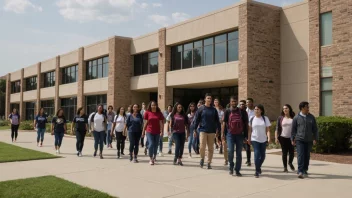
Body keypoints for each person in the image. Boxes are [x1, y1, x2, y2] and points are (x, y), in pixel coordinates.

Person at [192, 93, 221, 169]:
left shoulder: (214, 110)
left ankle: (209, 162)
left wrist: (219, 130)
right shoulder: (201, 109)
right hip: (202, 130)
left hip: (212, 131)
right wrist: (194, 129)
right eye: (208, 98)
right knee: (202, 146)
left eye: (210, 98)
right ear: (205, 99)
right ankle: (202, 158)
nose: (209, 100)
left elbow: (217, 121)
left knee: (210, 148)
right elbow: (197, 120)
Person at [222, 96, 248, 176]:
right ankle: (231, 166)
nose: (234, 103)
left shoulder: (242, 112)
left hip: (240, 134)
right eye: (232, 101)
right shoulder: (227, 111)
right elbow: (223, 123)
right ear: (230, 102)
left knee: (239, 153)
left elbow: (246, 124)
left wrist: (246, 136)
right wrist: (222, 134)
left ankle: (237, 170)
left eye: (235, 101)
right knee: (230, 151)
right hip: (230, 134)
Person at [292, 101, 318, 179]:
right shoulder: (296, 117)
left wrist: (315, 138)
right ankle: (300, 171)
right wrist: (292, 138)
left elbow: (315, 129)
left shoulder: (311, 117)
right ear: (302, 108)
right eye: (307, 107)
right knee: (300, 155)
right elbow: (293, 130)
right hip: (299, 139)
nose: (308, 109)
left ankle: (305, 169)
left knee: (307, 155)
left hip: (309, 140)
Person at [248, 104, 271, 178]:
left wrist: (269, 138)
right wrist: (249, 139)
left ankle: (258, 167)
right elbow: (249, 130)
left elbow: (268, 130)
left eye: (258, 109)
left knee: (263, 156)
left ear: (261, 110)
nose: (256, 111)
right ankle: (257, 171)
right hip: (254, 139)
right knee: (257, 155)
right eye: (255, 109)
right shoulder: (252, 118)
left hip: (263, 139)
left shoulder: (265, 118)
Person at [275, 104, 296, 173]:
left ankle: (290, 163)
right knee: (284, 153)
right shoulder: (280, 118)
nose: (285, 110)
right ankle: (285, 167)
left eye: (286, 108)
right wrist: (276, 137)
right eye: (283, 108)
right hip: (282, 137)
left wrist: (295, 137)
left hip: (291, 138)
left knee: (292, 152)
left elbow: (296, 128)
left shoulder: (293, 118)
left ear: (289, 109)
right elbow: (277, 128)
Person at [142, 101, 164, 165]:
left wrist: (161, 131)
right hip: (149, 131)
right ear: (150, 106)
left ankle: (154, 157)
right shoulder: (147, 113)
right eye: (152, 105)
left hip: (157, 132)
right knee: (151, 144)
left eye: (154, 105)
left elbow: (161, 123)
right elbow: (145, 123)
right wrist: (143, 131)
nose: (153, 106)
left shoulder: (159, 113)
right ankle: (151, 158)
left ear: (156, 106)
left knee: (156, 145)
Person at [244, 98, 255, 166]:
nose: (248, 103)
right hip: (246, 130)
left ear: (252, 103)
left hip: (254, 130)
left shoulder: (255, 110)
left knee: (253, 145)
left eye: (249, 102)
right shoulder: (245, 111)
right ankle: (248, 160)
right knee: (247, 145)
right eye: (247, 102)